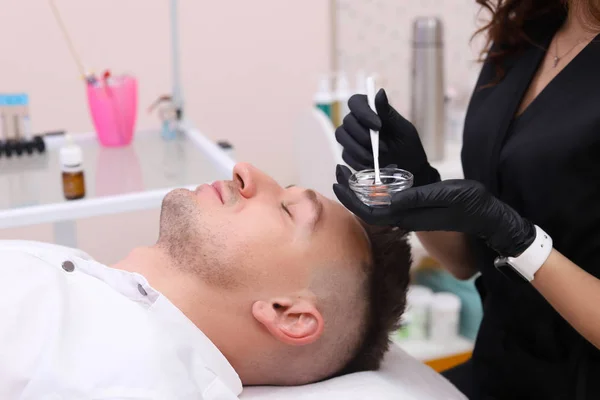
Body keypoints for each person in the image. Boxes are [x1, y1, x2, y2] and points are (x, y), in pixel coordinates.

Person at [333, 1, 600, 399]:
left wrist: (517, 239)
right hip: (499, 367)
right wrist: (417, 180)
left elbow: (504, 232)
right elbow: (463, 262)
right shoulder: (527, 32)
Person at [0, 162, 412, 399]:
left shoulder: (138, 380)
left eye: (288, 211)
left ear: (288, 314)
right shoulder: (85, 288)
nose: (246, 171)